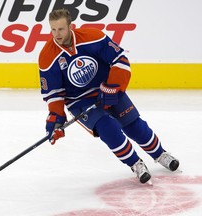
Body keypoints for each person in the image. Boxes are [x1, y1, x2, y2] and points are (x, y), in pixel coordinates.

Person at [38, 8, 179, 184]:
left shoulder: (93, 36)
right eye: (53, 29)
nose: (56, 34)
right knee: (108, 129)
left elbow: (120, 59)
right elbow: (54, 93)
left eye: (61, 29)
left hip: (107, 87)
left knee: (134, 125)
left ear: (71, 26)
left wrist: (113, 86)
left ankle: (160, 154)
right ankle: (136, 163)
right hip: (80, 101)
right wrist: (56, 118)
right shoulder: (47, 56)